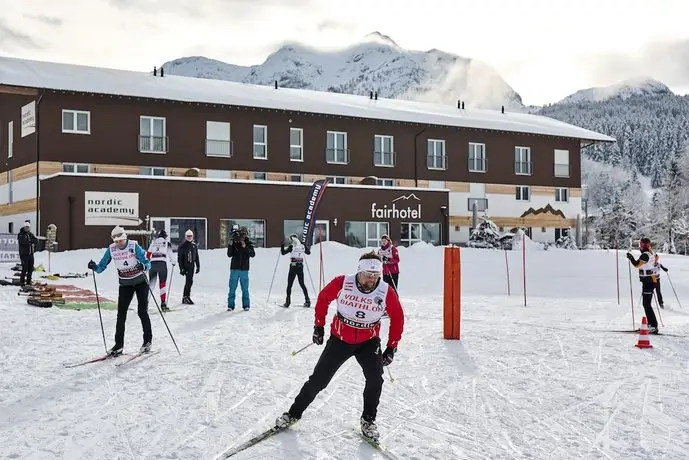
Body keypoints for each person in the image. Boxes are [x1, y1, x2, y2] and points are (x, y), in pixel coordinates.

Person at [274, 251, 405, 443]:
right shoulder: (344, 282)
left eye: (376, 276)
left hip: (368, 342)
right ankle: (293, 413)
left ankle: (368, 421)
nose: (371, 280)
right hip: (340, 339)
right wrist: (319, 326)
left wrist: (391, 347)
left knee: (375, 379)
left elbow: (398, 317)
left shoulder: (385, 291)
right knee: (319, 380)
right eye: (368, 275)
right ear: (359, 272)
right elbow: (323, 298)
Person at [87, 226, 153, 356]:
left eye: (121, 241)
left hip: (140, 283)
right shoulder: (111, 249)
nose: (118, 244)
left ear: (125, 238)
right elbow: (101, 267)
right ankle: (118, 345)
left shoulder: (134, 246)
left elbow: (147, 262)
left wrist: (144, 266)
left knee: (142, 311)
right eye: (116, 242)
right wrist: (94, 267)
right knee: (121, 314)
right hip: (125, 285)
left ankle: (147, 341)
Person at [626, 237, 660, 334]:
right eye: (642, 244)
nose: (642, 246)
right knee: (646, 304)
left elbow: (637, 264)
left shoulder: (645, 255)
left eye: (643, 245)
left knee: (646, 304)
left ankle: (653, 326)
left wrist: (631, 257)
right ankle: (650, 325)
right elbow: (656, 257)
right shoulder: (651, 252)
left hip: (649, 281)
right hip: (650, 280)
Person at [146, 229, 176, 312]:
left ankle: (145, 303)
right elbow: (171, 256)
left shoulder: (153, 242)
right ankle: (163, 304)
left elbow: (148, 254)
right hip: (162, 264)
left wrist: (146, 263)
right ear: (165, 237)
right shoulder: (167, 243)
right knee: (162, 284)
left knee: (151, 284)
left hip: (152, 264)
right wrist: (173, 263)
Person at [226, 225, 255, 311]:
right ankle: (230, 306)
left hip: (244, 270)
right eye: (242, 233)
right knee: (232, 289)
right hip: (234, 269)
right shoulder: (235, 242)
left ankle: (246, 305)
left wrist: (245, 247)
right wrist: (230, 245)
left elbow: (252, 254)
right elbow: (229, 254)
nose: (243, 235)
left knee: (245, 289)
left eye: (245, 233)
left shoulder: (249, 243)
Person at [280, 233, 311, 307]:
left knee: (289, 284)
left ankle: (287, 302)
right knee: (302, 283)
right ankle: (307, 300)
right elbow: (308, 253)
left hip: (293, 266)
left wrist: (282, 246)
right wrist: (304, 245)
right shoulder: (302, 246)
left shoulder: (292, 246)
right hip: (300, 266)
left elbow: (283, 253)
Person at [177, 229, 200, 305]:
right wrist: (182, 268)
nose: (190, 237)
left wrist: (198, 266)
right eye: (188, 236)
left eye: (191, 236)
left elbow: (196, 256)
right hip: (186, 266)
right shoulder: (182, 246)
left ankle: (186, 296)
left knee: (190, 281)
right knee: (188, 281)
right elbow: (179, 259)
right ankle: (186, 297)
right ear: (185, 237)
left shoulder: (194, 245)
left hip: (192, 266)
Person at [17, 220, 38, 286]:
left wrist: (30, 241)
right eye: (26, 227)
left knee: (30, 268)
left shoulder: (30, 234)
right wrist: (31, 241)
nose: (27, 228)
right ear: (24, 227)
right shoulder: (20, 234)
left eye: (28, 227)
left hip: (30, 254)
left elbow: (36, 240)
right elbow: (24, 242)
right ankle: (22, 281)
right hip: (24, 254)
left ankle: (28, 281)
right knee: (24, 268)